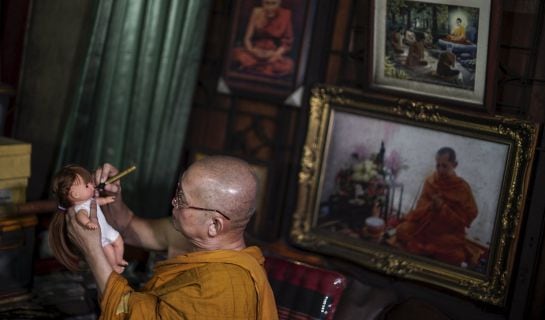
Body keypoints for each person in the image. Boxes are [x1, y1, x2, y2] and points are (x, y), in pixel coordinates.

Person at [64, 156, 278, 319]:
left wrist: (93, 252)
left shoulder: (222, 289)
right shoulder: (191, 237)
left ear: (214, 225)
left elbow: (126, 315)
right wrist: (113, 196)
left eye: (182, 199)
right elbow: (128, 226)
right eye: (178, 191)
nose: (173, 202)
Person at [395, 147, 478, 266]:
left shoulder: (462, 188)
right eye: (437, 165)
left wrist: (442, 208)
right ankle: (429, 251)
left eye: (445, 166)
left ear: (454, 165)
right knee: (401, 230)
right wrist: (430, 207)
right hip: (425, 226)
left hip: (445, 233)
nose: (440, 170)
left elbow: (464, 220)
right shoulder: (430, 181)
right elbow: (419, 209)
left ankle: (424, 250)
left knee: (457, 256)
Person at [49, 165, 127, 273]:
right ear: (75, 194)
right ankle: (114, 265)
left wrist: (106, 200)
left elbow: (97, 201)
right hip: (100, 236)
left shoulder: (89, 200)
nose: (91, 185)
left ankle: (119, 260)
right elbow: (81, 216)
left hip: (106, 228)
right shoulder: (80, 208)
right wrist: (87, 223)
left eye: (90, 182)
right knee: (109, 250)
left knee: (119, 241)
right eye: (87, 186)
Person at [231, 0, 294, 77]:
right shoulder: (256, 12)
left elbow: (287, 42)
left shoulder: (286, 15)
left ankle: (254, 67)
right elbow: (247, 38)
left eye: (273, 3)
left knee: (289, 65)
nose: (270, 7)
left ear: (279, 3)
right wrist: (252, 50)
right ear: (262, 2)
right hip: (255, 51)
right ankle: (262, 68)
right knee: (235, 54)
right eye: (266, 3)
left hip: (273, 53)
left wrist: (276, 54)